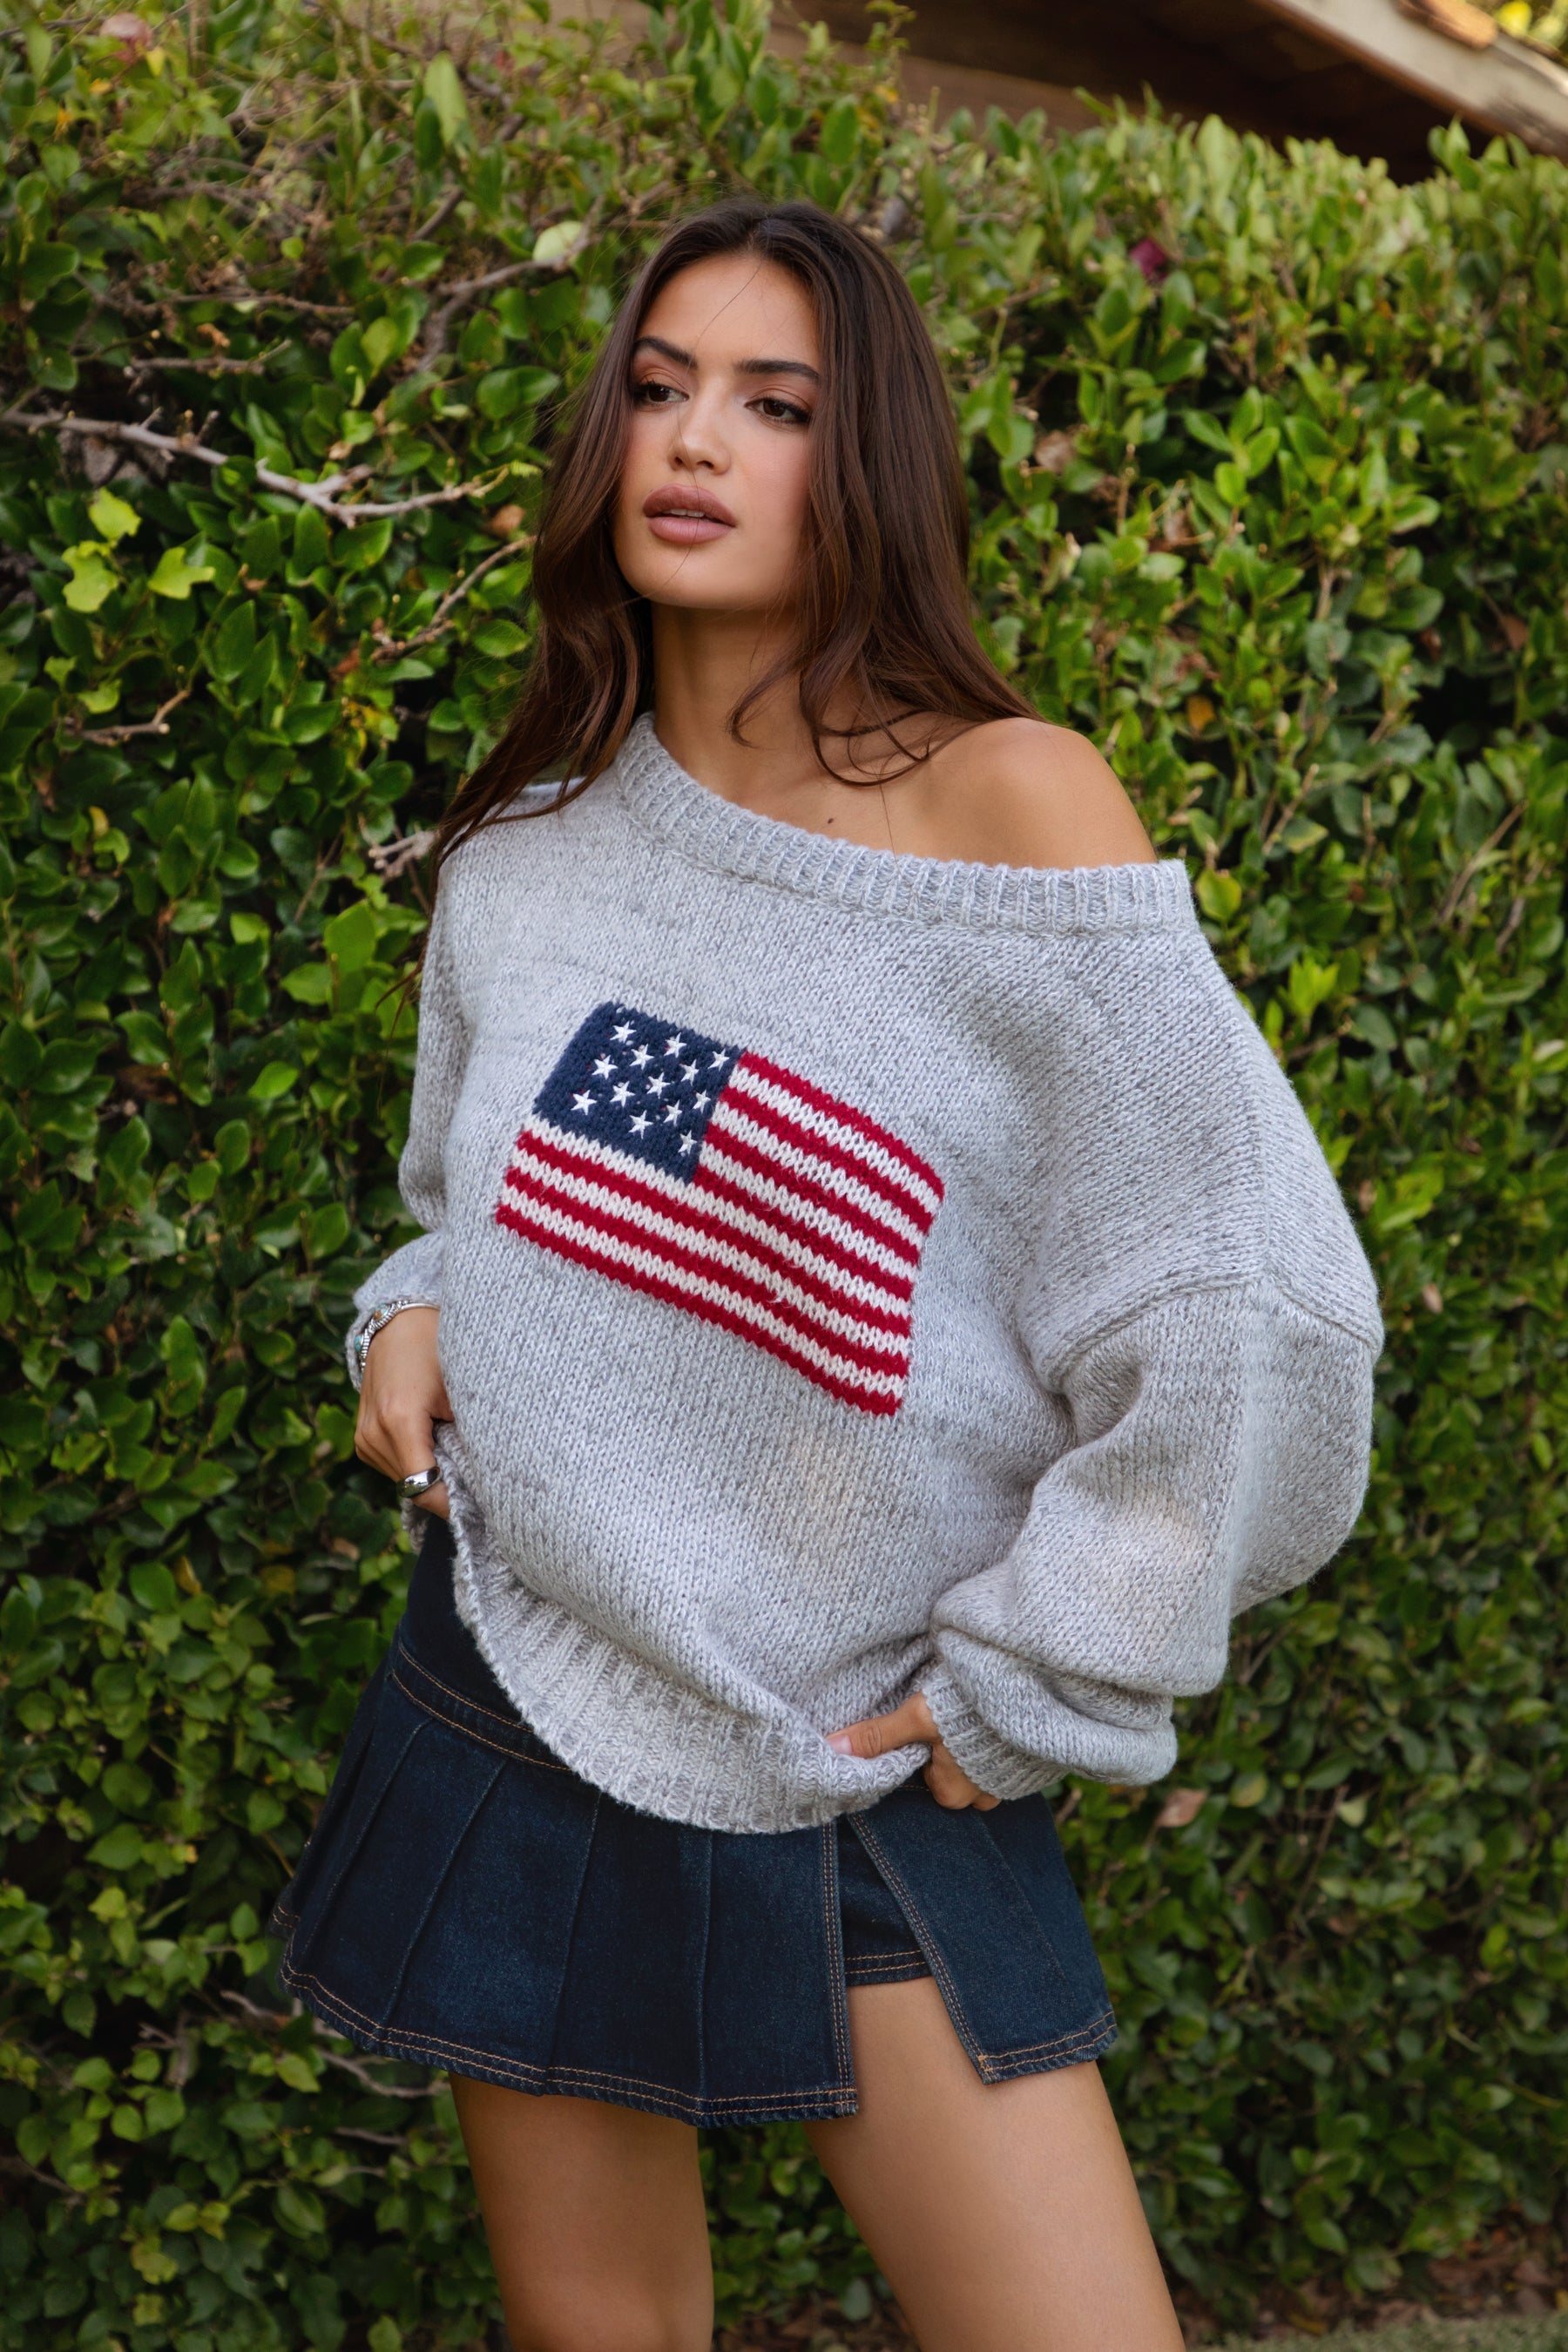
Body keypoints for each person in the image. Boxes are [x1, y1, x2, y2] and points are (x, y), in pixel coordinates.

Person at [271, 196, 1382, 2352]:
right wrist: (406, 1302)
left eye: (773, 404)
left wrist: (1046, 1673)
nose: (697, 440)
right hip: (525, 1679)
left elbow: (1252, 1310)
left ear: (860, 457)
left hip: (872, 1751)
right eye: (662, 387)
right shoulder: (530, 856)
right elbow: (466, 1194)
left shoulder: (1013, 810)